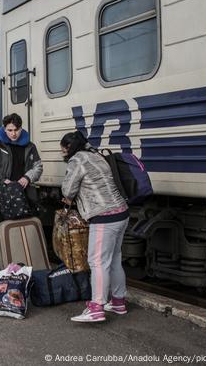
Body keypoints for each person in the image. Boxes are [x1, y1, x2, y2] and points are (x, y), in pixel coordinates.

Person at [59, 131, 129, 323]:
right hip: (121, 212)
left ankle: (97, 308)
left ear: (69, 148)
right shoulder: (96, 155)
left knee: (97, 262)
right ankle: (118, 301)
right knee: (114, 259)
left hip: (104, 216)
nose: (62, 153)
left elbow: (67, 189)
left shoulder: (77, 160)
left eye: (63, 149)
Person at [0, 113, 42, 223]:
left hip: (26, 196)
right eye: (10, 130)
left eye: (16, 130)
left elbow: (38, 167)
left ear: (21, 129)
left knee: (25, 230)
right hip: (2, 196)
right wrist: (2, 180)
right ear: (4, 129)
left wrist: (27, 177)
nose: (13, 134)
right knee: (2, 231)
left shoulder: (30, 146)